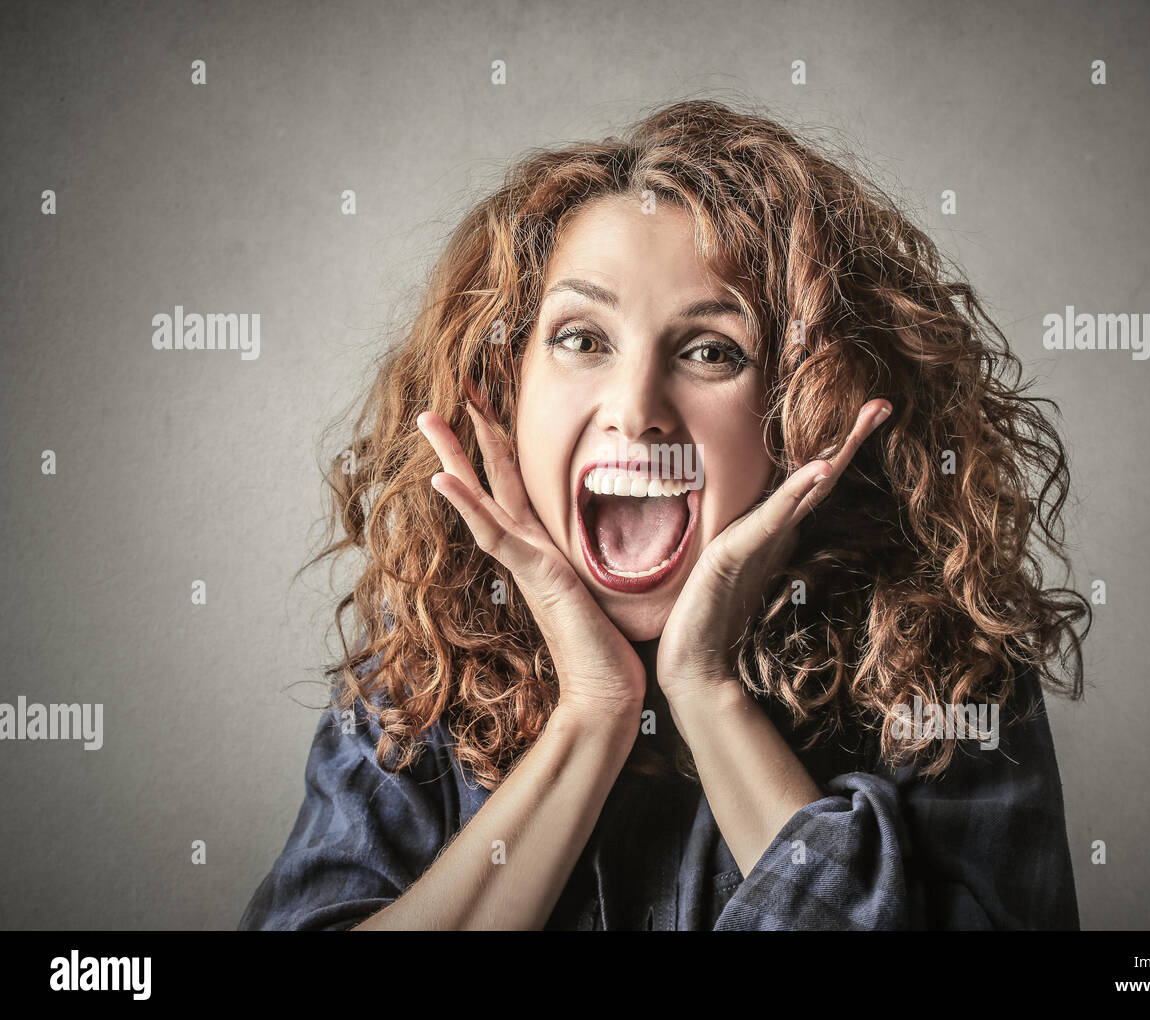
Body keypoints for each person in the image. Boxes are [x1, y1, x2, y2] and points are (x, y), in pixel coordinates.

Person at [238, 98, 1089, 931]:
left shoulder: (947, 677)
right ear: (504, 390)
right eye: (582, 338)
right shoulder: (418, 674)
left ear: (807, 415)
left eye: (712, 351)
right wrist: (594, 712)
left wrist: (707, 690)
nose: (637, 408)